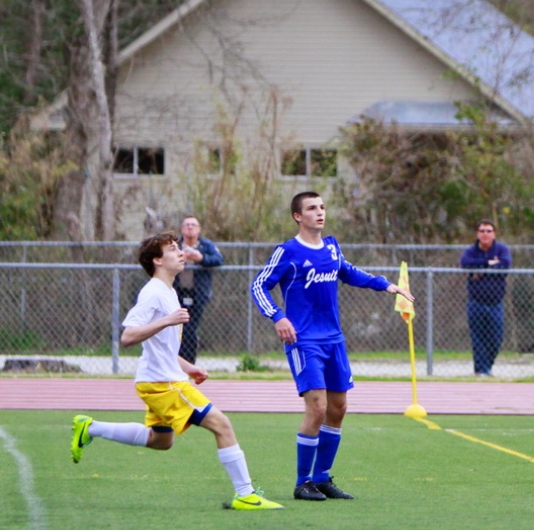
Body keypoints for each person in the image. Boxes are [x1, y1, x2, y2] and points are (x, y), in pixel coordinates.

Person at [70, 233, 282, 510]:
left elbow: (161, 348)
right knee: (222, 424)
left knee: (160, 441)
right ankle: (245, 494)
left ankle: (91, 427)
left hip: (159, 378)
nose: (181, 252)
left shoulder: (169, 291)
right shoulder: (153, 292)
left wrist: (189, 366)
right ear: (158, 260)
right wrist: (169, 320)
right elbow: (128, 336)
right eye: (172, 249)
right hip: (163, 384)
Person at [250, 191, 414, 501]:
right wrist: (278, 316)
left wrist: (386, 285)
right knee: (318, 408)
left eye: (322, 207)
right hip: (304, 341)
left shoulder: (331, 247)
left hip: (334, 340)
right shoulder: (287, 252)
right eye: (312, 208)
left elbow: (348, 272)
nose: (320, 212)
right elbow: (259, 285)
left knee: (338, 409)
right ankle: (302, 483)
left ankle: (322, 478)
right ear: (298, 216)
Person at [460, 220, 512, 377]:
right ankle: (481, 371)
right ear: (477, 233)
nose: (485, 234)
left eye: (489, 231)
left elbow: (505, 265)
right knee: (478, 339)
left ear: (494, 234)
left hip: (496, 303)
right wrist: (488, 263)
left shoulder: (502, 249)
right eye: (482, 231)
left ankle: (486, 368)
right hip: (476, 302)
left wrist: (481, 270)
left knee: (495, 338)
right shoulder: (471, 251)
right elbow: (465, 263)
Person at [173, 216, 223, 364]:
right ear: (182, 229)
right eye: (187, 225)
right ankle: (175, 363)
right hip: (177, 293)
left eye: (193, 225)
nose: (190, 227)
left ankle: (188, 364)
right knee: (177, 330)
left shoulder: (205, 245)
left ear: (199, 229)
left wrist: (201, 258)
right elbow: (162, 259)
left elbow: (218, 260)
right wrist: (180, 258)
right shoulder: (175, 245)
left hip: (197, 293)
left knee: (190, 330)